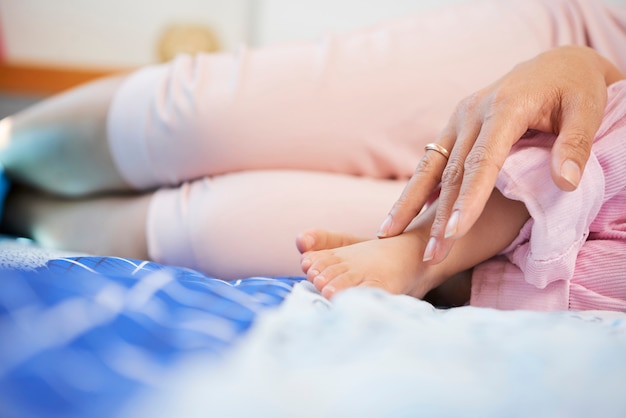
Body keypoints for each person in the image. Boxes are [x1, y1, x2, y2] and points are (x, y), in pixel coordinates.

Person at [0, 0, 625, 295]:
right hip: (605, 66)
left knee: (210, 227)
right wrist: (579, 62)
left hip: (573, 264)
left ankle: (22, 215)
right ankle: (8, 145)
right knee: (209, 118)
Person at [299, 74, 626, 312]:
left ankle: (438, 276)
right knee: (567, 174)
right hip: (576, 69)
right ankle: (417, 250)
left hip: (502, 261)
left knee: (249, 213)